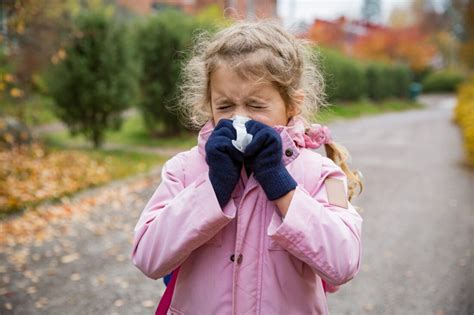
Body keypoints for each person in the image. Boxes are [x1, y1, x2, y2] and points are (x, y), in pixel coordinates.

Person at [131, 19, 364, 315]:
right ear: (209, 105)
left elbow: (343, 263)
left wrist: (280, 184)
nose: (239, 120)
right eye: (225, 106)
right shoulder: (185, 169)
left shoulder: (320, 173)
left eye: (256, 106)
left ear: (292, 104)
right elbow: (148, 258)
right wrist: (213, 189)